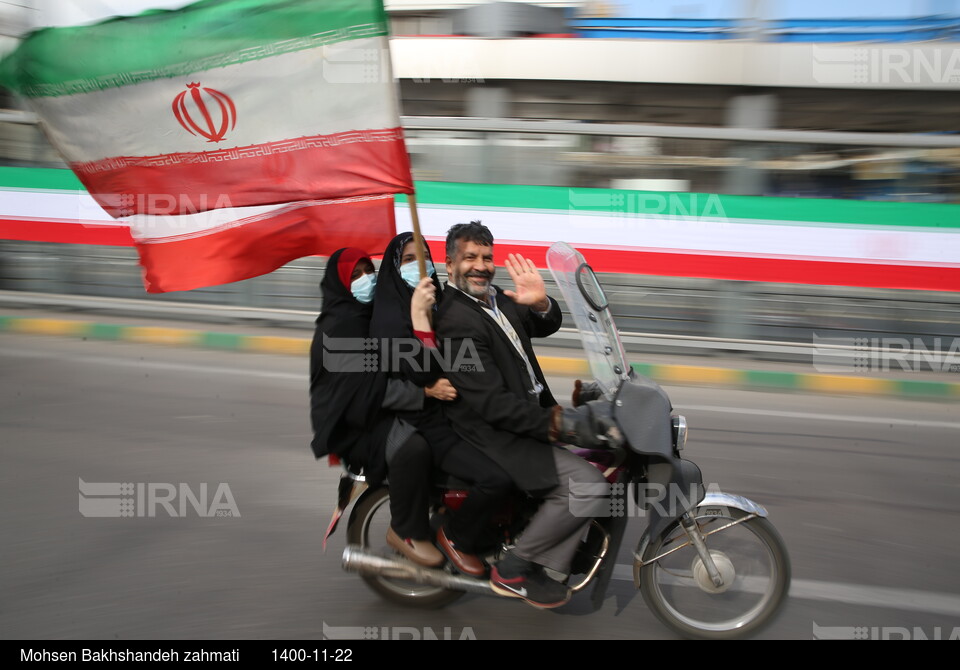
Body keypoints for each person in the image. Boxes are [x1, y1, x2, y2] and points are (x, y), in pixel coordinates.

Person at [435, 221, 609, 609]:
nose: (480, 266)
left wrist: (541, 302)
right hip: (494, 433)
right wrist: (558, 423)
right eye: (470, 258)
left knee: (601, 455)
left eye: (486, 258)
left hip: (529, 414)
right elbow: (492, 405)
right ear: (450, 265)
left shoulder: (494, 298)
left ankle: (548, 558)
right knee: (587, 484)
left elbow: (543, 323)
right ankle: (514, 569)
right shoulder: (455, 321)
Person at [370, 232, 514, 577]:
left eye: (424, 257)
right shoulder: (388, 320)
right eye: (408, 260)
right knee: (497, 478)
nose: (419, 266)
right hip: (422, 424)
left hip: (457, 417)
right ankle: (456, 538)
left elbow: (465, 359)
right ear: (394, 267)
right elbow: (421, 373)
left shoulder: (443, 305)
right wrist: (420, 323)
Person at [309, 247, 449, 567]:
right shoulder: (340, 326)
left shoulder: (374, 314)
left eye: (368, 271)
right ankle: (405, 531)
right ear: (340, 284)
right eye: (355, 276)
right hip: (355, 424)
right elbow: (365, 390)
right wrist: (425, 391)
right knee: (412, 447)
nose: (366, 280)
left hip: (378, 410)